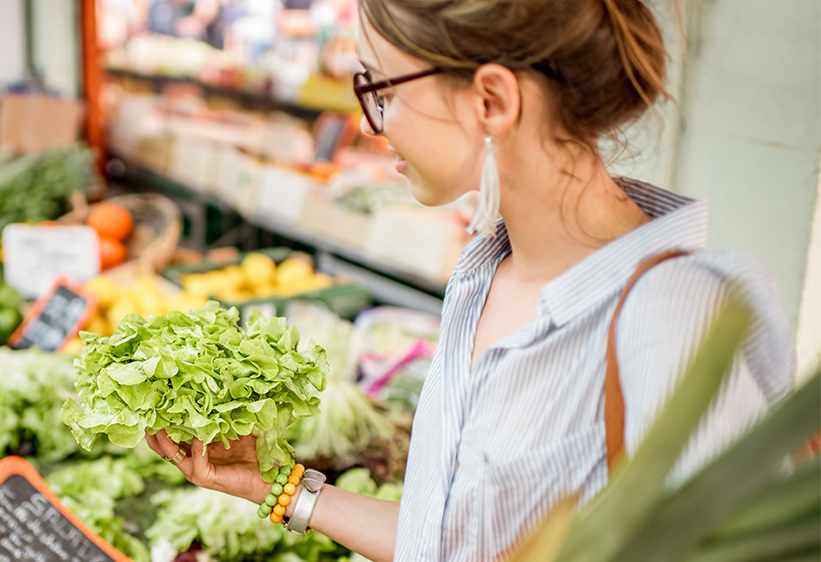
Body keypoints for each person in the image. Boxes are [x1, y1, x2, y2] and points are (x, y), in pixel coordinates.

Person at [146, 0, 797, 560]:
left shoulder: (685, 318)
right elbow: (445, 542)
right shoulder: (485, 274)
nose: (375, 125)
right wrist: (275, 486)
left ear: (492, 100)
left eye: (383, 91)